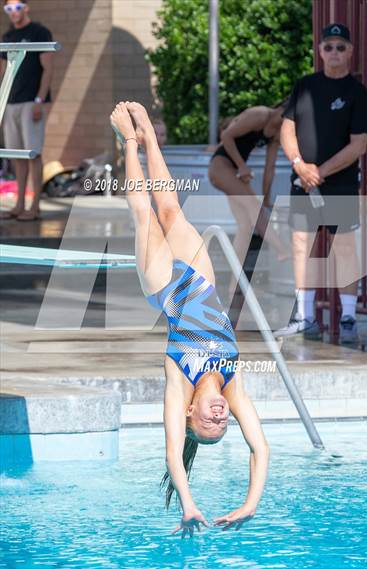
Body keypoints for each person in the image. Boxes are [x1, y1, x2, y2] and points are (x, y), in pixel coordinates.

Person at [110, 101, 270, 537]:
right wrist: (249, 504)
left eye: (208, 422)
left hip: (165, 289)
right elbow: (261, 449)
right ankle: (149, 131)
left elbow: (171, 453)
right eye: (222, 423)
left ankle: (127, 136)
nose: (219, 416)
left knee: (144, 214)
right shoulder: (233, 386)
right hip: (202, 283)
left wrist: (189, 505)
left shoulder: (179, 384)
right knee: (170, 210)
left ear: (189, 414)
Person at [274, 23, 367, 343]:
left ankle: (347, 317)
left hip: (340, 184)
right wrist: (299, 166)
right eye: (328, 47)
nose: (334, 53)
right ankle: (305, 316)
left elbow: (359, 144)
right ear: (320, 51)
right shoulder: (305, 86)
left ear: (350, 52)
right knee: (301, 245)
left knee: (343, 247)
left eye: (340, 47)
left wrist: (320, 172)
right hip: (302, 181)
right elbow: (287, 129)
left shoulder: (357, 93)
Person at [208, 101, 290, 294]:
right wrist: (242, 166)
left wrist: (267, 197)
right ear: (278, 111)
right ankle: (281, 248)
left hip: (233, 171)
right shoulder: (260, 114)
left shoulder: (276, 135)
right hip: (220, 167)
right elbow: (226, 135)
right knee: (254, 208)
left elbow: (270, 168)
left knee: (245, 228)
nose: (276, 128)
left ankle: (233, 286)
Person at [0, 0, 54, 221]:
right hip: (11, 102)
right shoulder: (7, 37)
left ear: (26, 7)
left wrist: (39, 100)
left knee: (33, 154)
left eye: (17, 7)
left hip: (31, 102)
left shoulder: (39, 32)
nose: (13, 13)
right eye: (8, 9)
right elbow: (3, 73)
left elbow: (48, 69)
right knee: (16, 156)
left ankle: (35, 206)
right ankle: (20, 204)